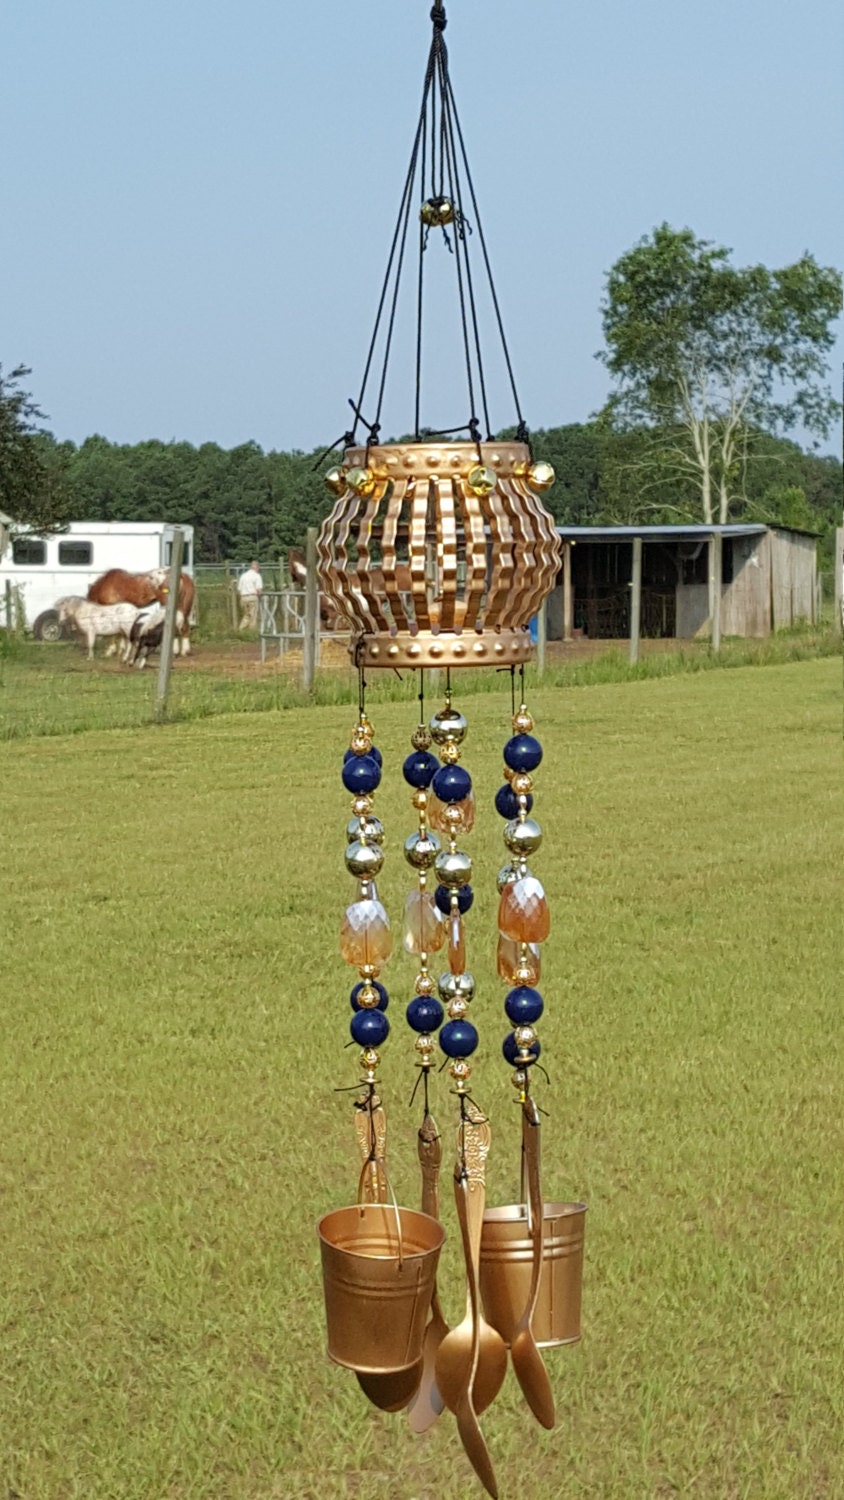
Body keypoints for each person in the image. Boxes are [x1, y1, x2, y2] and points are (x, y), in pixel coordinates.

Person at [237, 560, 263, 630]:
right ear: (257, 567)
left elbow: (239, 589)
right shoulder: (257, 576)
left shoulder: (243, 576)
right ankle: (251, 631)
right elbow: (259, 590)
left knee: (246, 615)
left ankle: (241, 629)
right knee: (253, 616)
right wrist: (260, 597)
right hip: (252, 597)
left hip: (243, 598)